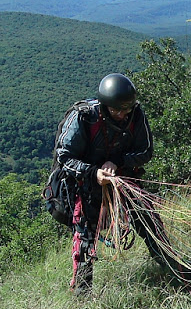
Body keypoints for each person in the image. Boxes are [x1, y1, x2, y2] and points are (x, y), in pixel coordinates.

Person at [55, 73, 172, 295]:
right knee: (85, 238)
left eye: (125, 110)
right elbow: (64, 157)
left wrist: (117, 162)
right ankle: (82, 293)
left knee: (149, 220)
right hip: (87, 186)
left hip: (124, 180)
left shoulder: (135, 115)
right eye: (116, 110)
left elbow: (146, 151)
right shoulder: (83, 118)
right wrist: (92, 172)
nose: (121, 115)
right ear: (104, 105)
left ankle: (171, 267)